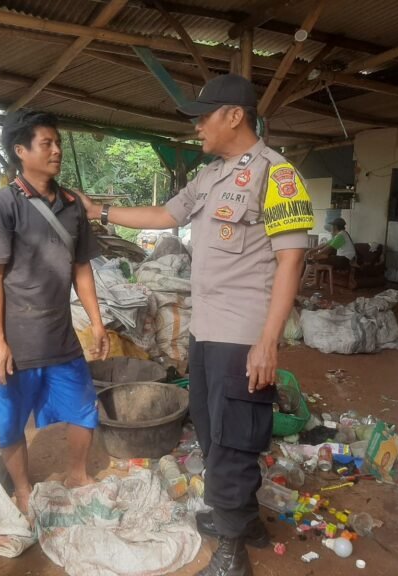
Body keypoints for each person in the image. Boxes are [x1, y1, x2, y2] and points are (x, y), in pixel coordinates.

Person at [77, 74, 313, 576]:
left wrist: (268, 342)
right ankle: (244, 521)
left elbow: (291, 262)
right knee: (213, 436)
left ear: (234, 115)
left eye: (203, 115)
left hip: (243, 336)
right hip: (206, 333)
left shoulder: (279, 175)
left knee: (233, 440)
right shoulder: (210, 176)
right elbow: (166, 214)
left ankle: (232, 559)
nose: (197, 125)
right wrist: (102, 211)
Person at [0, 109, 110, 517]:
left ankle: (78, 474)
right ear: (20, 151)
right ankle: (24, 488)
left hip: (60, 337)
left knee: (84, 408)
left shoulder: (72, 206)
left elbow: (81, 269)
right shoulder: (1, 205)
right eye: (46, 143)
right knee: (10, 422)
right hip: (13, 341)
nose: (57, 150)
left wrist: (97, 323)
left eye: (58, 142)